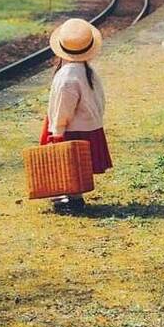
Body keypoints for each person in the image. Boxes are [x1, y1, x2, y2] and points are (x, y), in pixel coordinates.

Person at [40, 17, 113, 213]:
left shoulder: (67, 76)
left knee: (65, 161)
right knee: (76, 164)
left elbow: (64, 107)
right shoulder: (86, 71)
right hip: (88, 125)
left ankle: (68, 198)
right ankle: (74, 196)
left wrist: (57, 130)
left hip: (71, 127)